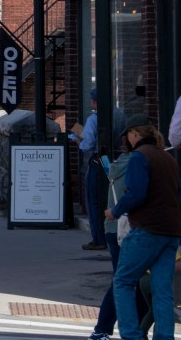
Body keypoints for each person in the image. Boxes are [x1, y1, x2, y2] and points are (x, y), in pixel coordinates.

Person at [105, 113, 181, 340]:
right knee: (163, 290)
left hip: (147, 229)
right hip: (171, 231)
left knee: (123, 281)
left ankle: (131, 335)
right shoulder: (169, 159)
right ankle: (164, 337)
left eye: (127, 135)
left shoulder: (140, 157)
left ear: (134, 134)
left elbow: (135, 193)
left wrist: (114, 212)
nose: (127, 139)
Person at [89, 135, 149, 340]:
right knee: (130, 281)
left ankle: (104, 329)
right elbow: (135, 195)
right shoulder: (139, 162)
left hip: (114, 228)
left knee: (124, 280)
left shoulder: (119, 163)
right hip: (129, 227)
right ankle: (111, 329)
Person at [72, 89, 108, 251]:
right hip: (113, 160)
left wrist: (78, 141)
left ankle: (98, 238)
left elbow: (88, 144)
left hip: (96, 160)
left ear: (94, 102)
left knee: (93, 201)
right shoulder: (119, 114)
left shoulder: (93, 119)